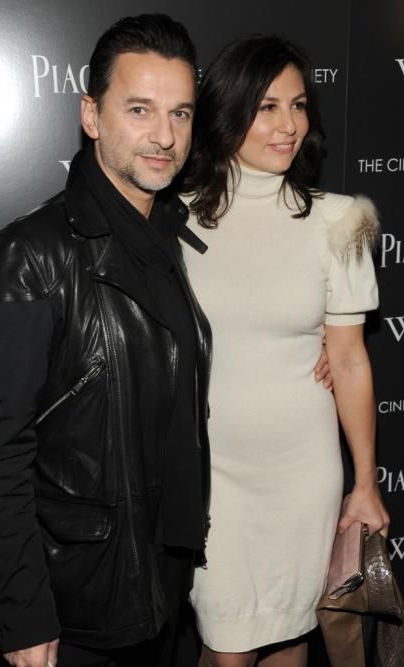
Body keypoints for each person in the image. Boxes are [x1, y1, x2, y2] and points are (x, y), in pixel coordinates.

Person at [0, 14, 211, 667]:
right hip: (75, 608)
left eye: (180, 113)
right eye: (140, 109)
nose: (165, 136)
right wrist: (22, 613)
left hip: (163, 590)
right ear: (92, 115)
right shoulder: (27, 256)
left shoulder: (171, 239)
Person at [180, 34, 390, 667]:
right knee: (226, 648)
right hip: (211, 479)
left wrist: (364, 483)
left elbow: (348, 359)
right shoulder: (170, 221)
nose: (289, 125)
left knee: (289, 638)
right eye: (267, 107)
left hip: (302, 472)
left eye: (298, 106)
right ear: (228, 112)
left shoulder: (340, 221)